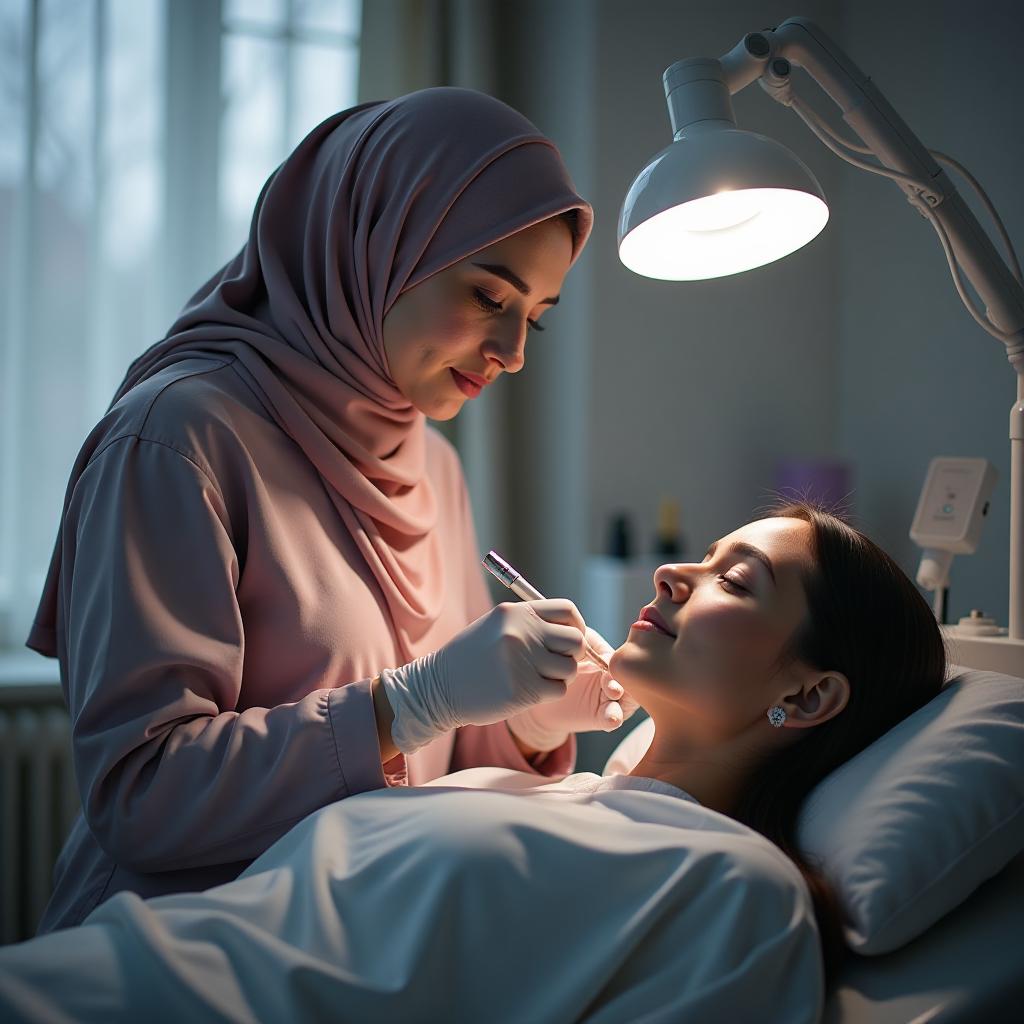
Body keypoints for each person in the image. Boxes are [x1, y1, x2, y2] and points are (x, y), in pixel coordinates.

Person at [24, 86, 633, 933]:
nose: (513, 352)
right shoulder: (177, 438)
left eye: (535, 318)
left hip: (345, 944)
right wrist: (407, 703)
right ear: (377, 245)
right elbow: (143, 794)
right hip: (175, 947)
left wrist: (524, 723)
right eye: (490, 298)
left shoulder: (432, 462)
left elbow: (442, 765)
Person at [0, 502, 947, 1023]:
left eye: (737, 579)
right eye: (702, 555)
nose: (675, 575)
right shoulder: (553, 793)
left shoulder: (737, 893)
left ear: (813, 696)